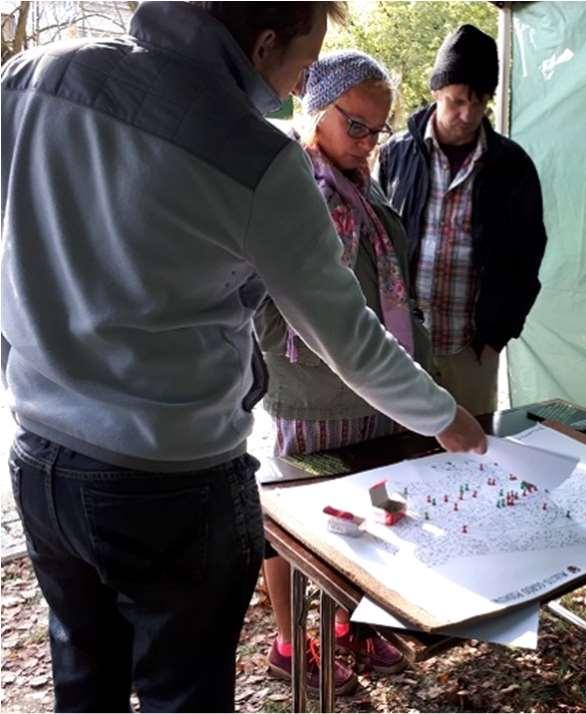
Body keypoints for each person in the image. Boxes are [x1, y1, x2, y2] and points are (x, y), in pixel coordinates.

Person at [0, 3, 486, 711]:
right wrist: (448, 417)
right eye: (303, 61)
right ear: (263, 45)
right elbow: (345, 336)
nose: (298, 85)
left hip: (44, 458)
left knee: (84, 682)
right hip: (169, 477)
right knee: (184, 693)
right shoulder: (253, 154)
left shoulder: (35, 77)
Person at [255, 50, 426, 696]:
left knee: (364, 516)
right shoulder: (291, 183)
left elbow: (392, 283)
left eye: (378, 130)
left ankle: (350, 624)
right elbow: (266, 304)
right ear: (315, 111)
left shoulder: (362, 180)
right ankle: (291, 640)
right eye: (355, 126)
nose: (367, 143)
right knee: (300, 526)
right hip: (309, 396)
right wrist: (313, 355)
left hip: (372, 391)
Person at [376, 24, 548, 416]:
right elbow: (378, 244)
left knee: (473, 453)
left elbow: (529, 255)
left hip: (473, 349)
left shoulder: (512, 166)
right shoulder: (395, 155)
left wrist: (497, 336)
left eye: (480, 102)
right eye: (456, 101)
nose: (467, 114)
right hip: (405, 344)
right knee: (403, 449)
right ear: (436, 90)